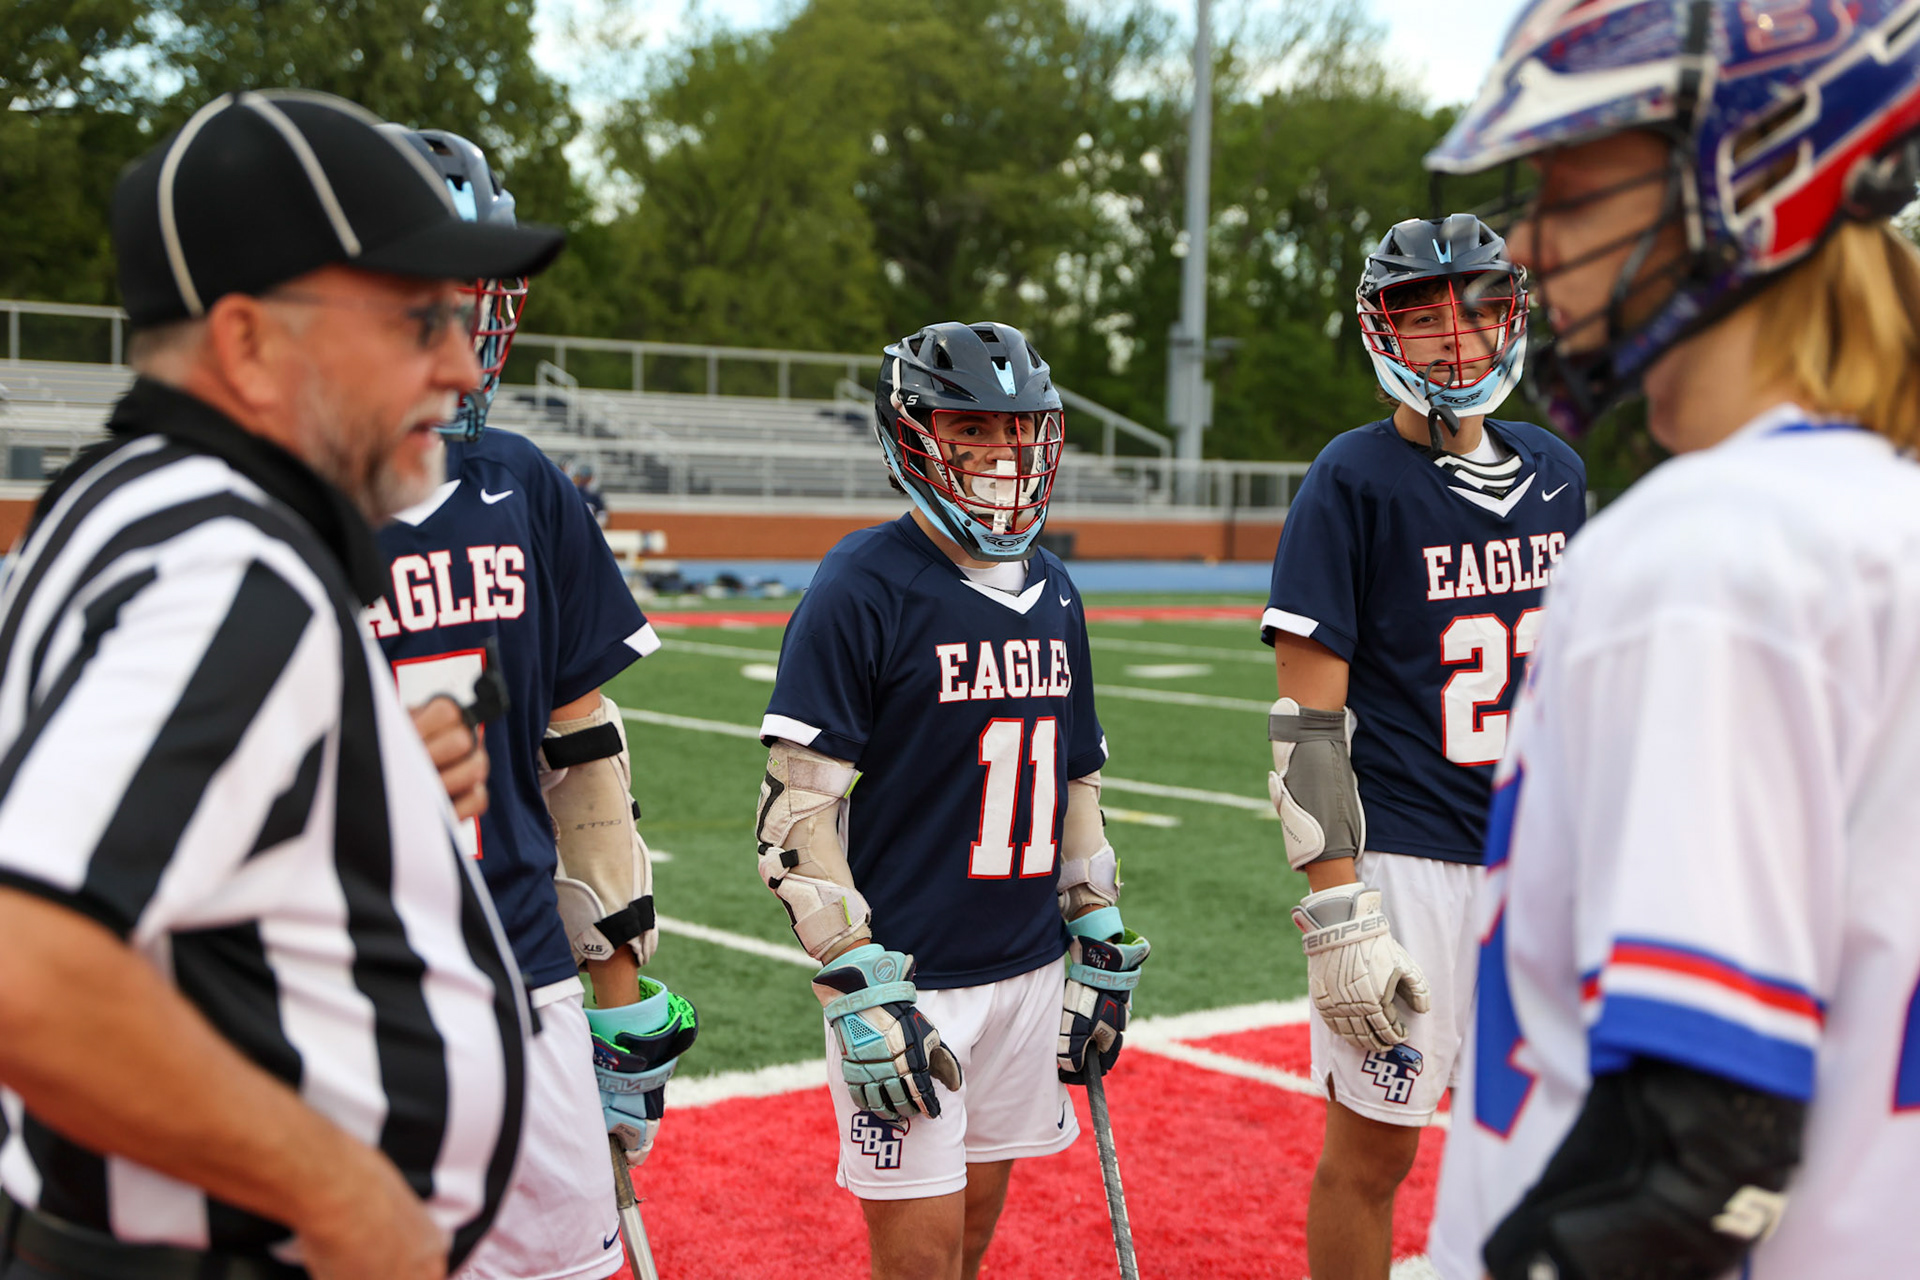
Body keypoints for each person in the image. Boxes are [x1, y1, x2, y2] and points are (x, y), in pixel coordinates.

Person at [0, 89, 564, 1280]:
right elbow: (24, 963)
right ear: (251, 343)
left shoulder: (119, 506)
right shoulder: (230, 566)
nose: (464, 365)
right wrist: (347, 1192)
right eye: (416, 319)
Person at [1421, 2, 1920, 1278]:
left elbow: (1695, 1150)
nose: (1527, 240)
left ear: (1752, 182)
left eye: (1570, 192)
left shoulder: (1710, 546)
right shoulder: (1875, 515)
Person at [366, 126, 696, 1280]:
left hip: (523, 971)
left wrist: (617, 995)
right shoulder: (268, 498)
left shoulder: (522, 482)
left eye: (469, 297)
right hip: (340, 991)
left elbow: (586, 756)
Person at [753, 321, 1150, 1280]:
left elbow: (1076, 778)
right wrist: (855, 974)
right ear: (914, 433)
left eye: (1019, 431)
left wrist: (1095, 923)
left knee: (971, 1241)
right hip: (911, 984)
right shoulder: (863, 583)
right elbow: (796, 817)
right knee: (921, 1263)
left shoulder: (1055, 588)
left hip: (1024, 967)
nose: (1003, 453)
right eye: (972, 428)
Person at [1260, 214, 1585, 1280]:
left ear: (1512, 319)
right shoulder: (1351, 480)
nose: (1456, 338)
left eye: (1480, 309)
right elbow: (1307, 724)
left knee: (1547, 1142)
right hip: (1413, 862)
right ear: (1380, 327)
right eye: (1423, 313)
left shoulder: (1557, 470)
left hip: (1541, 859)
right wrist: (1340, 908)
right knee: (1374, 1149)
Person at [570, 460, 609, 528]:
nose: (584, 480)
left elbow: (602, 514)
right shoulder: (572, 492)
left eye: (586, 477)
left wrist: (595, 527)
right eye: (582, 477)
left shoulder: (594, 494)